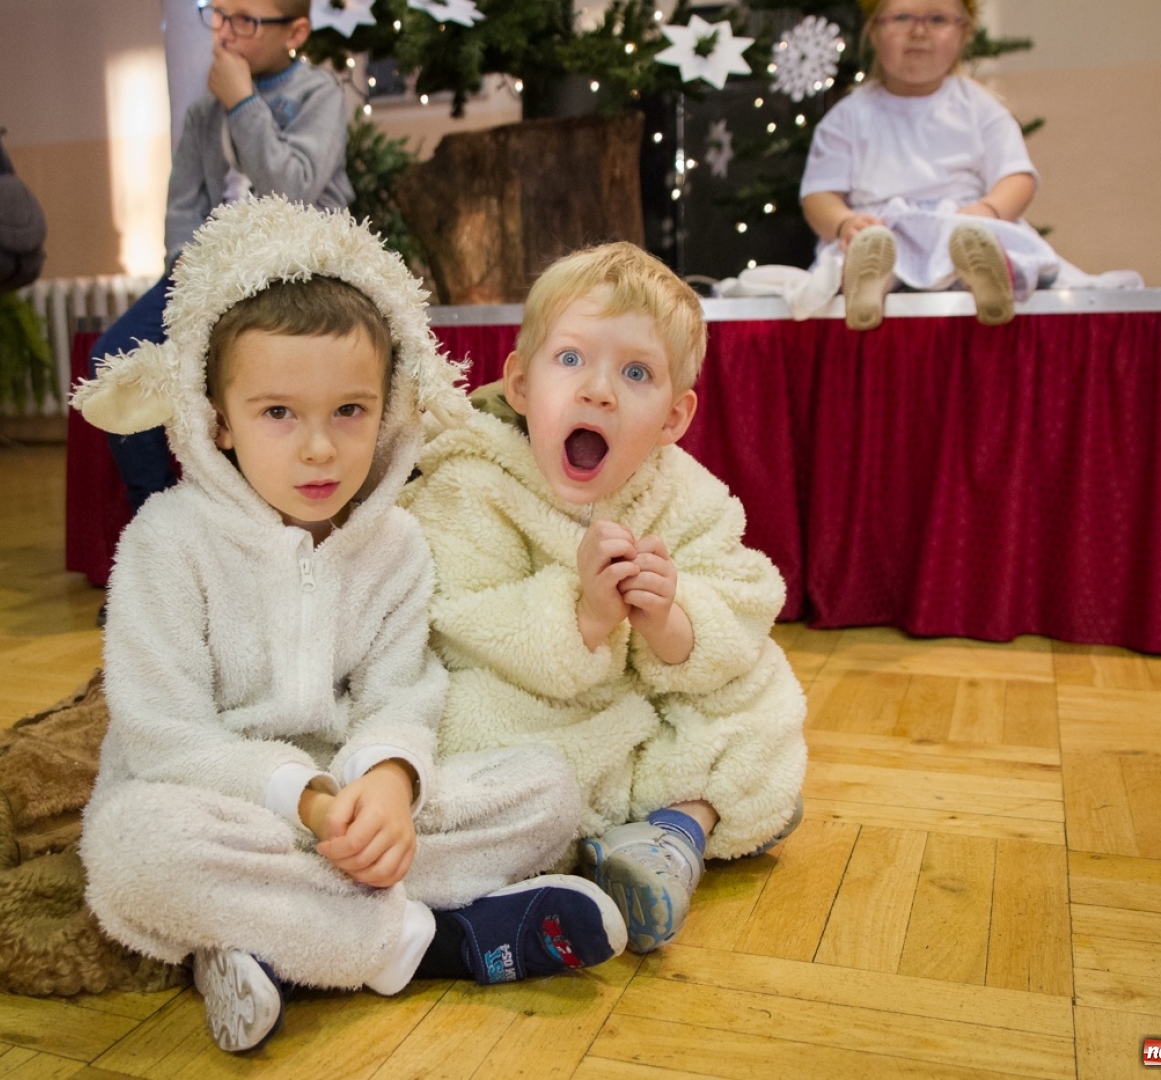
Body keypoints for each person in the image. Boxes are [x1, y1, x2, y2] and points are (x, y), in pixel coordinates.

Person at [72, 198, 626, 1055]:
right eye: (278, 414)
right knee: (130, 851)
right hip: (222, 804)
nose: (320, 450)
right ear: (216, 418)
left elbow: (402, 692)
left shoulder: (396, 543)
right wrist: (302, 799)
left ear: (390, 407)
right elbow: (161, 735)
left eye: (349, 412)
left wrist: (390, 784)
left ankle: (261, 939)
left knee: (549, 790)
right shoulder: (165, 541)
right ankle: (431, 942)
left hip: (354, 802)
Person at [402, 243, 808, 955]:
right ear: (521, 383)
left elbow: (743, 599)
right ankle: (673, 826)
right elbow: (457, 613)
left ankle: (668, 834)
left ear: (674, 418)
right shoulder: (472, 476)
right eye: (569, 360)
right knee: (458, 724)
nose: (597, 391)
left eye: (635, 372)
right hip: (538, 714)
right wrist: (582, 617)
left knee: (765, 684)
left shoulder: (683, 492)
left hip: (641, 719)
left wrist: (671, 621)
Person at [95, 0, 353, 516]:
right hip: (213, 272)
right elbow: (184, 201)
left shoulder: (318, 94)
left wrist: (242, 102)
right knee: (116, 354)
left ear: (295, 32)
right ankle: (159, 515)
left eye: (246, 21)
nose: (225, 33)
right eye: (219, 15)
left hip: (297, 266)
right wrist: (183, 264)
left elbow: (294, 186)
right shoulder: (202, 110)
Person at [799, 0, 1139, 332]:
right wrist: (845, 224)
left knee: (998, 245)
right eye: (902, 17)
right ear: (873, 32)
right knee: (858, 255)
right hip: (884, 229)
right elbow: (819, 194)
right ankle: (871, 282)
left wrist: (988, 211)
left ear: (965, 33)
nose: (919, 31)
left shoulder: (979, 107)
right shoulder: (848, 116)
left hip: (963, 223)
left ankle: (988, 276)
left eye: (937, 19)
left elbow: (1016, 176)